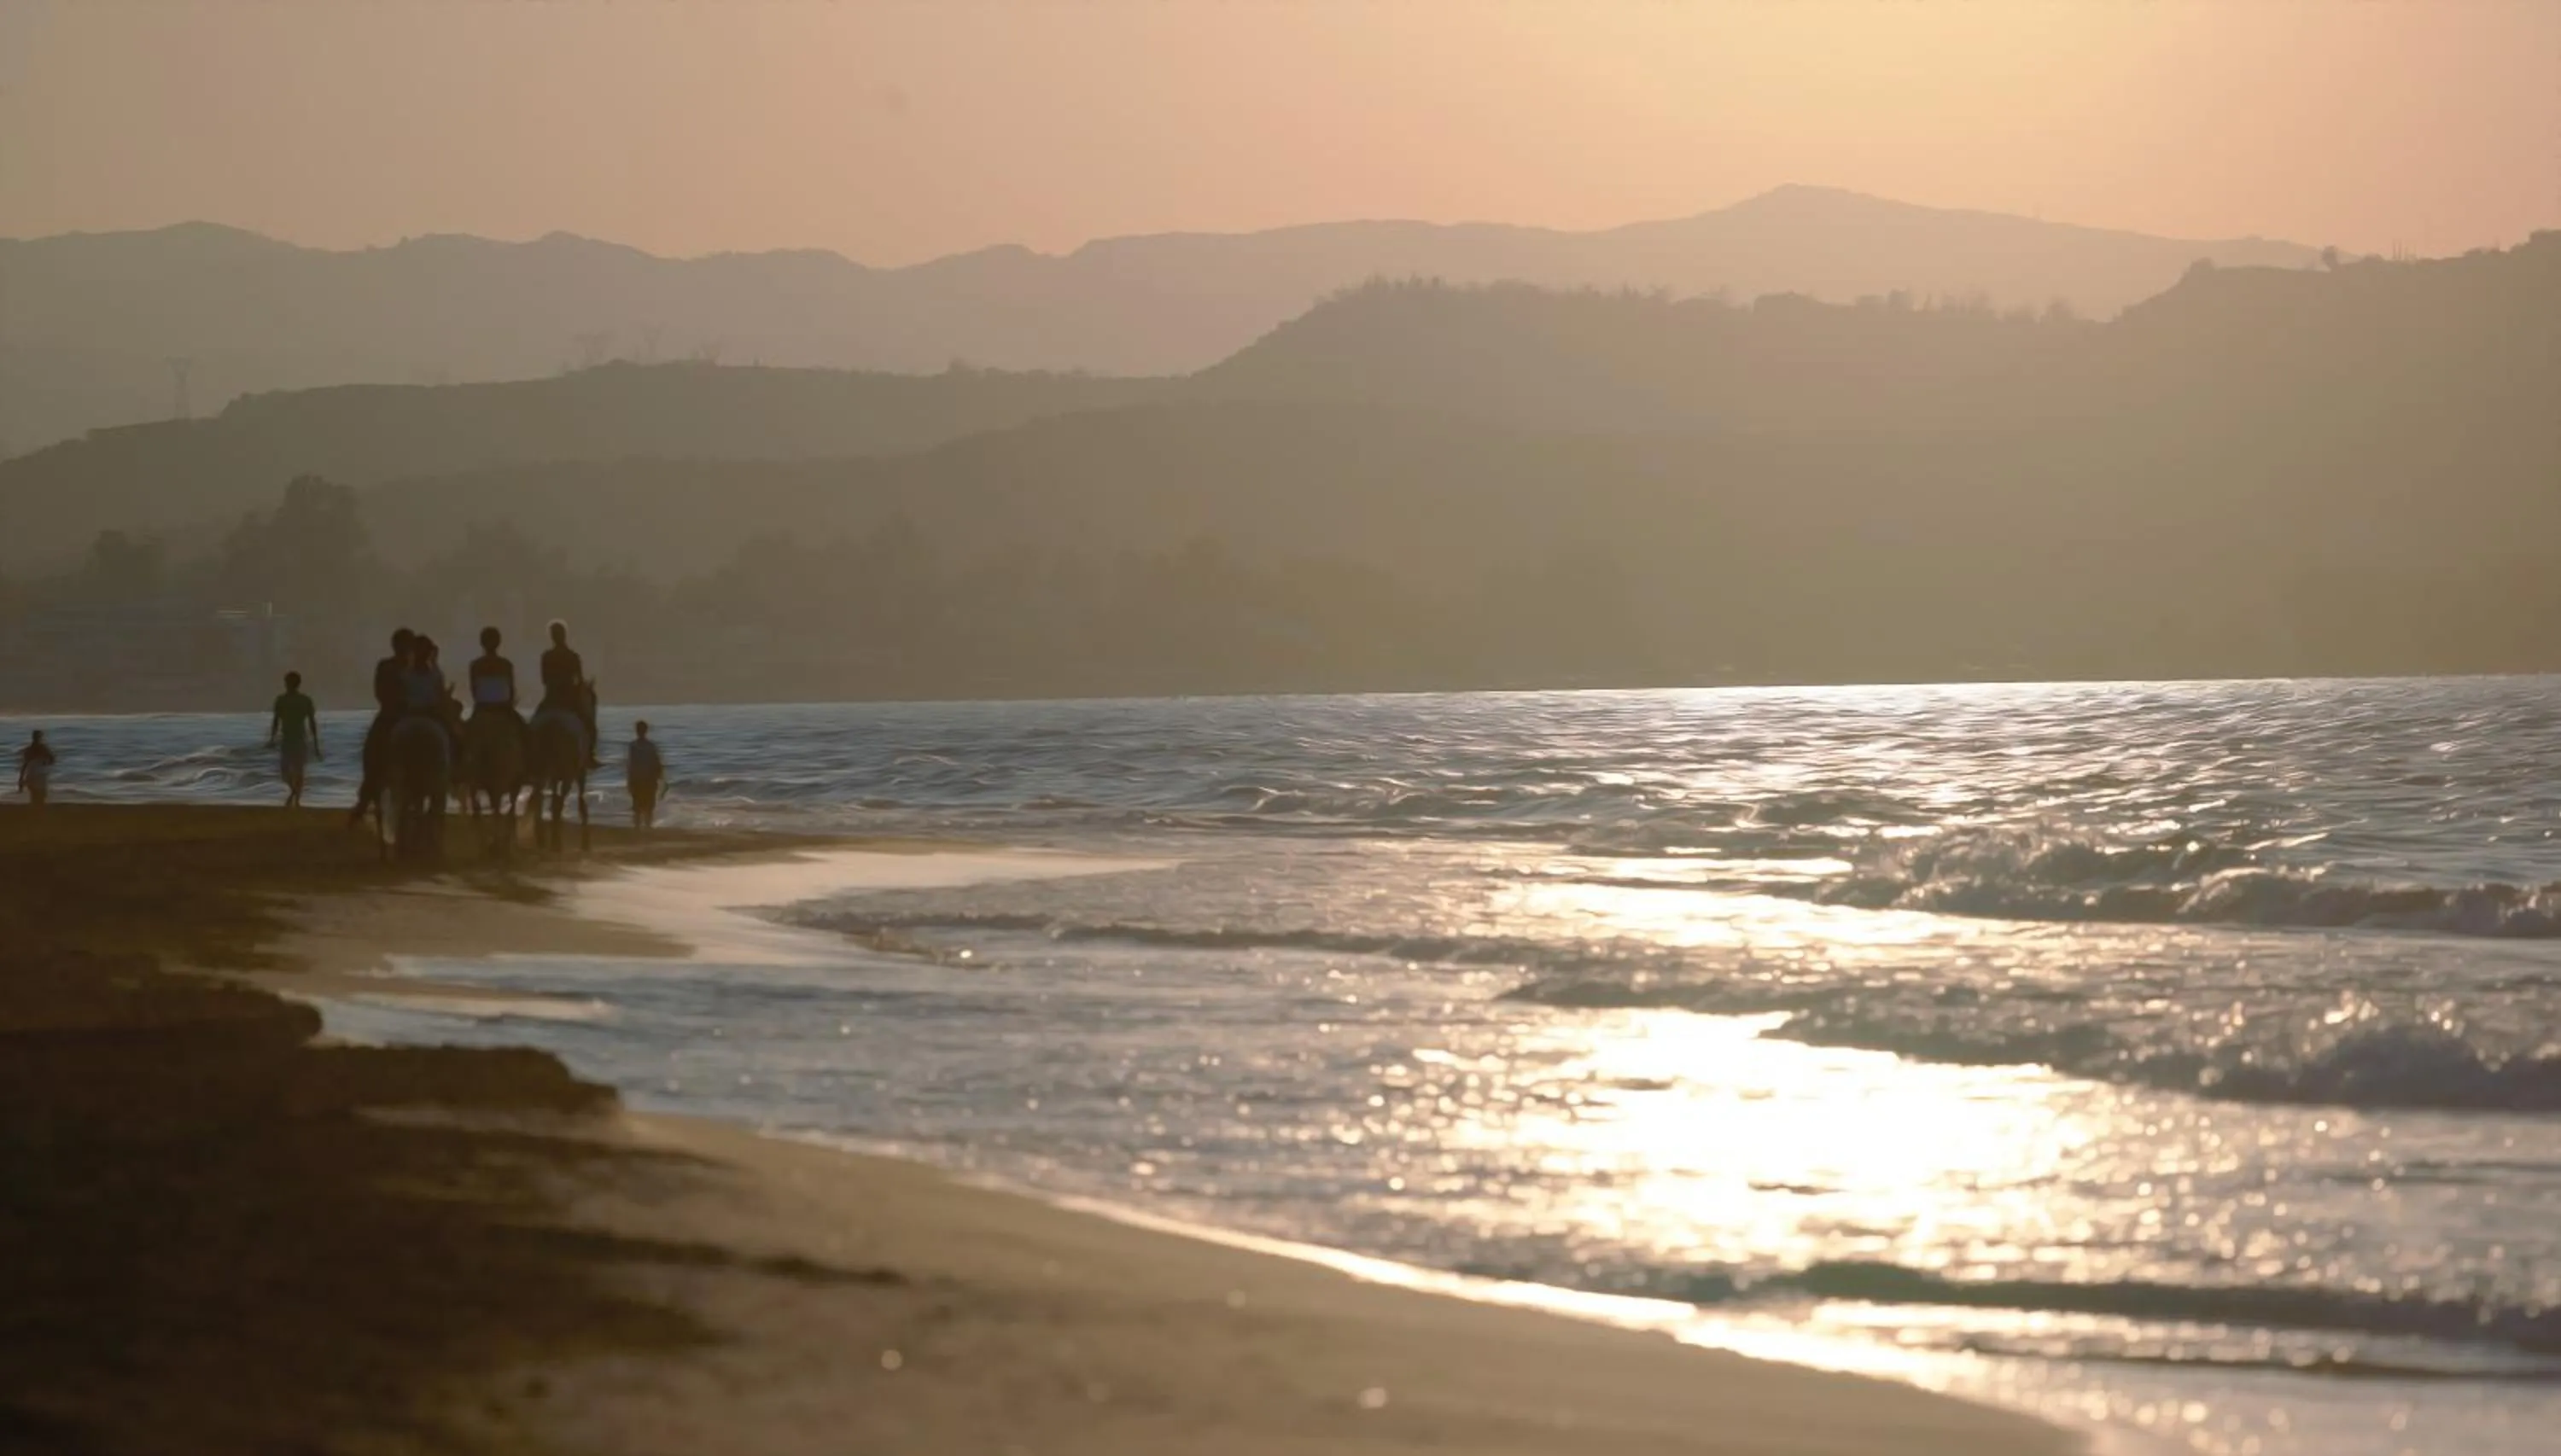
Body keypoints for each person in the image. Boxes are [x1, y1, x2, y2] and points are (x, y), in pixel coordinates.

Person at [349, 627, 417, 828]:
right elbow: (380, 693)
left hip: (391, 715)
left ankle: (365, 798)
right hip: (398, 714)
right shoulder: (399, 666)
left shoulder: (389, 666)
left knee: (372, 752)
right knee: (372, 751)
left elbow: (379, 693)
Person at [537, 619, 598, 770]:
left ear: (552, 636)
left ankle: (531, 763)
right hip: (570, 702)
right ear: (565, 635)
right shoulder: (573, 656)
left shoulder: (546, 656)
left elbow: (544, 680)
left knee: (532, 727)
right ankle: (589, 756)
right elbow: (579, 680)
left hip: (550, 700)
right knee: (590, 727)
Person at [265, 671, 323, 809]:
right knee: (286, 772)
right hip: (288, 739)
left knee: (298, 770)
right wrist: (272, 739)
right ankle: (294, 793)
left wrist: (316, 744)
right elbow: (276, 721)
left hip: (298, 739)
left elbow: (312, 722)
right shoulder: (282, 700)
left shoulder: (303, 700)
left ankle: (296, 799)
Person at [626, 720, 666, 831]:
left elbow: (630, 765)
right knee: (643, 805)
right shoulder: (647, 746)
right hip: (644, 779)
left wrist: (629, 780)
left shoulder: (635, 746)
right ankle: (643, 826)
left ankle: (641, 826)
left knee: (643, 805)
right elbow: (631, 765)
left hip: (643, 779)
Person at [15, 730, 55, 807]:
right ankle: (39, 813)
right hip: (41, 775)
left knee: (34, 795)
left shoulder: (29, 750)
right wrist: (45, 763)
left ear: (33, 738)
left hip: (31, 773)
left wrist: (21, 779)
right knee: (41, 796)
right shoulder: (44, 748)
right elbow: (52, 760)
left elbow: (24, 765)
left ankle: (35, 812)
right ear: (41, 738)